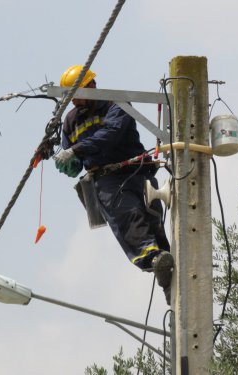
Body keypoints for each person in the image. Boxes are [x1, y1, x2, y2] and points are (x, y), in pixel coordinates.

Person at [54, 65, 173, 304]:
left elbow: (112, 133)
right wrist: (70, 162)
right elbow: (72, 156)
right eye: (71, 97)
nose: (74, 102)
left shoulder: (115, 104)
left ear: (91, 87)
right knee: (126, 215)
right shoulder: (70, 121)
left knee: (152, 220)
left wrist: (76, 150)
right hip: (106, 179)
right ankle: (151, 258)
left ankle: (168, 273)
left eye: (77, 94)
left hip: (136, 170)